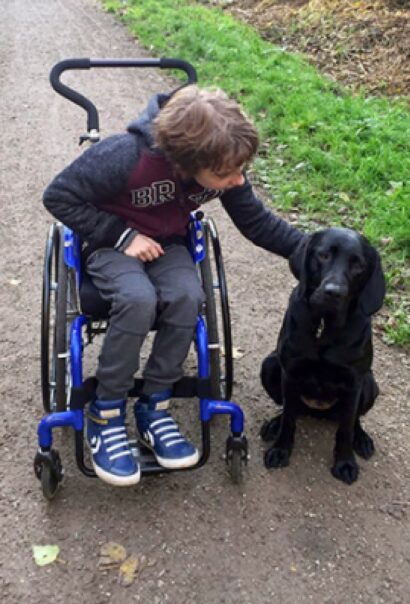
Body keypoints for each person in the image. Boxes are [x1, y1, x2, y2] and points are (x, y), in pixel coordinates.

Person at [44, 85, 303, 486]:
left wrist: (315, 253)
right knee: (137, 298)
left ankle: (154, 404)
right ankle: (106, 410)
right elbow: (58, 196)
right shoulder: (124, 157)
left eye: (240, 170)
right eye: (226, 174)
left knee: (187, 297)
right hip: (111, 245)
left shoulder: (222, 163)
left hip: (169, 246)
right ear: (184, 161)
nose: (236, 180)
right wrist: (121, 236)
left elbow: (256, 222)